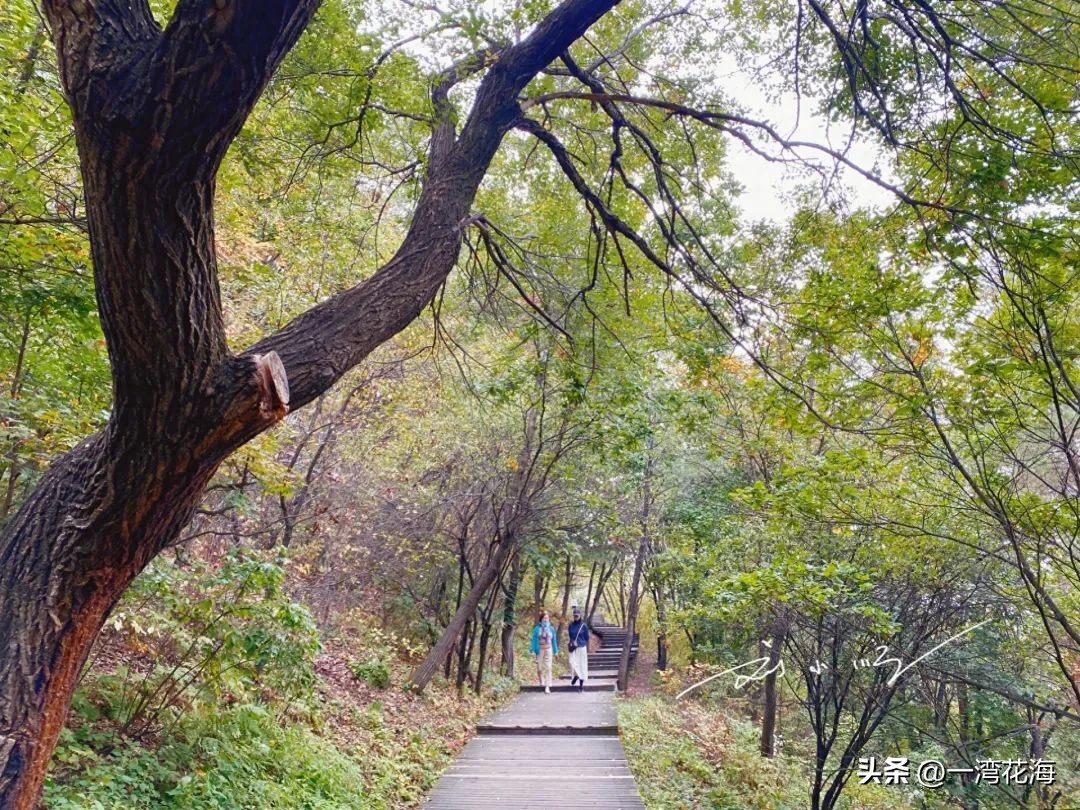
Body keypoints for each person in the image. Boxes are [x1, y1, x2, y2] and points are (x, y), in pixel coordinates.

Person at [530, 611, 558, 693]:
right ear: (541, 619)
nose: (546, 619)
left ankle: (547, 686)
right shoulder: (537, 629)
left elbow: (554, 641)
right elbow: (534, 640)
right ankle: (541, 679)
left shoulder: (551, 629)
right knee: (539, 668)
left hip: (549, 649)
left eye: (547, 618)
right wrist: (533, 650)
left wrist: (556, 651)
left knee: (548, 667)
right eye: (544, 618)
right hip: (540, 649)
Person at [567, 606, 590, 692]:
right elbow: (570, 636)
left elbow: (587, 637)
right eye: (574, 615)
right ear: (573, 616)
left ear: (580, 615)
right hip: (573, 648)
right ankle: (576, 676)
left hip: (581, 647)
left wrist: (581, 642)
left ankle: (581, 686)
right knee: (572, 663)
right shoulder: (571, 625)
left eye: (577, 615)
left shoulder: (584, 626)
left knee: (582, 666)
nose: (576, 617)